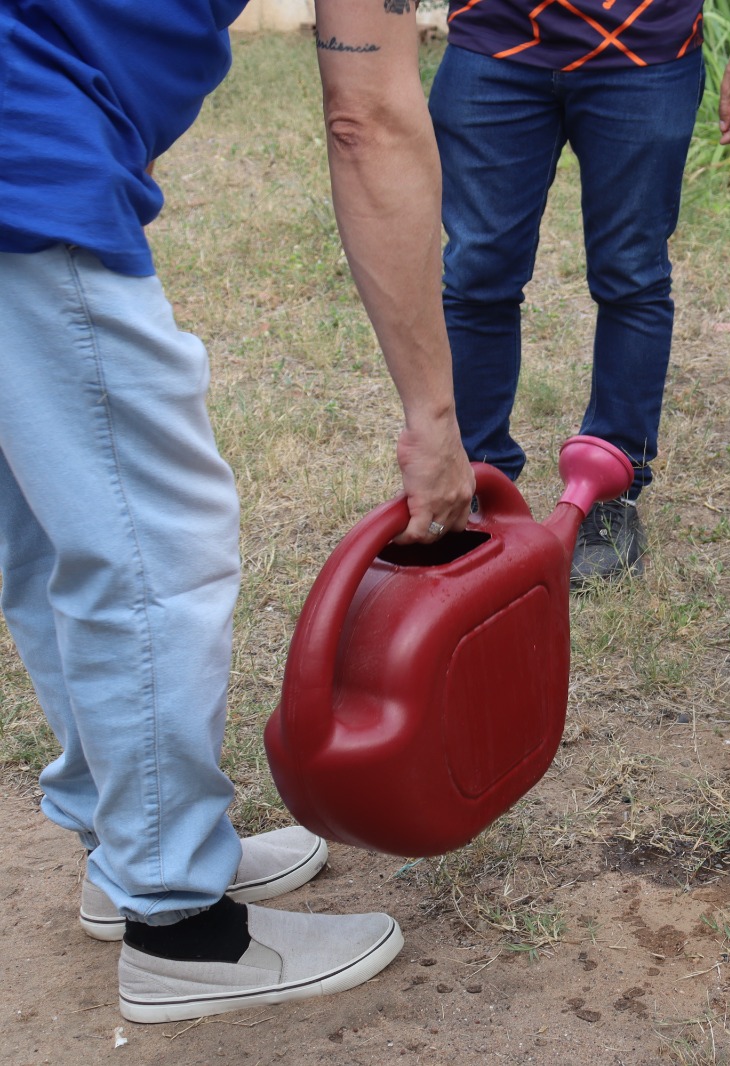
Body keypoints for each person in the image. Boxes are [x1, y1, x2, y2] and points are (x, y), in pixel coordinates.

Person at [0, 0, 473, 1023]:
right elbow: (369, 120)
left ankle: (127, 850)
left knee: (59, 530)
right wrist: (433, 417)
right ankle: (180, 929)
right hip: (25, 154)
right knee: (152, 545)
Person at [430, 0, 730, 583]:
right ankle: (468, 483)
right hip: (494, 38)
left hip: (646, 50)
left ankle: (610, 491)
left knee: (632, 277)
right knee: (476, 275)